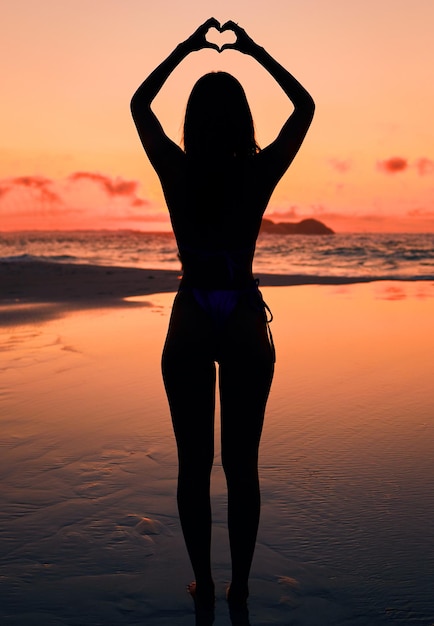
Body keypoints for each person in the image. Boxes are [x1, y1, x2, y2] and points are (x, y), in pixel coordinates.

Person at [131, 18, 314, 613]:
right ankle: (238, 586)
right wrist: (255, 50)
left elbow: (139, 104)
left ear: (193, 121)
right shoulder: (256, 173)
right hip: (240, 316)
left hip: (191, 314)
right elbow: (305, 107)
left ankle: (205, 586)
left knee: (193, 465)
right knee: (242, 464)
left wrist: (185, 50)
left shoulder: (177, 171)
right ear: (242, 121)